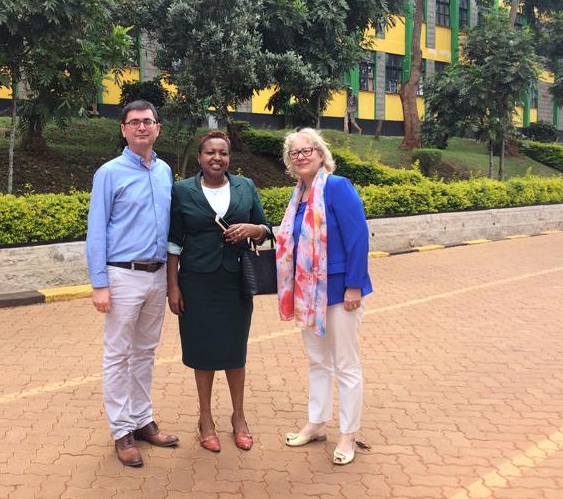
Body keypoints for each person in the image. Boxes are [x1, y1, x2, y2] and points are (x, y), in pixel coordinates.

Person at [86, 99, 179, 468]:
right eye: (134, 122)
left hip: (156, 275)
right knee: (118, 355)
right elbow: (96, 230)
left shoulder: (164, 171)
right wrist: (99, 284)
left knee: (145, 352)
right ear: (123, 129)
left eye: (148, 121)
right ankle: (121, 430)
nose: (142, 127)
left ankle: (143, 421)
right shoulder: (109, 173)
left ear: (158, 128)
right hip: (122, 275)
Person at [167, 131, 272, 453]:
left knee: (234, 351)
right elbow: (173, 242)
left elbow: (266, 228)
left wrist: (255, 230)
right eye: (210, 152)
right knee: (203, 352)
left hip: (236, 282)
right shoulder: (182, 191)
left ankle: (239, 417)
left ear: (229, 157)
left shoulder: (246, 186)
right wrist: (172, 286)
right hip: (197, 282)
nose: (217, 158)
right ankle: (206, 419)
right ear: (199, 157)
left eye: (223, 153)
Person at [275, 127, 373, 465]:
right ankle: (317, 423)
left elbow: (358, 235)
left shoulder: (336, 187)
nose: (301, 157)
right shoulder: (298, 194)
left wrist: (354, 285)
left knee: (345, 364)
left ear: (321, 154)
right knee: (317, 361)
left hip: (339, 289)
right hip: (307, 293)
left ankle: (348, 434)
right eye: (295, 153)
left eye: (307, 151)